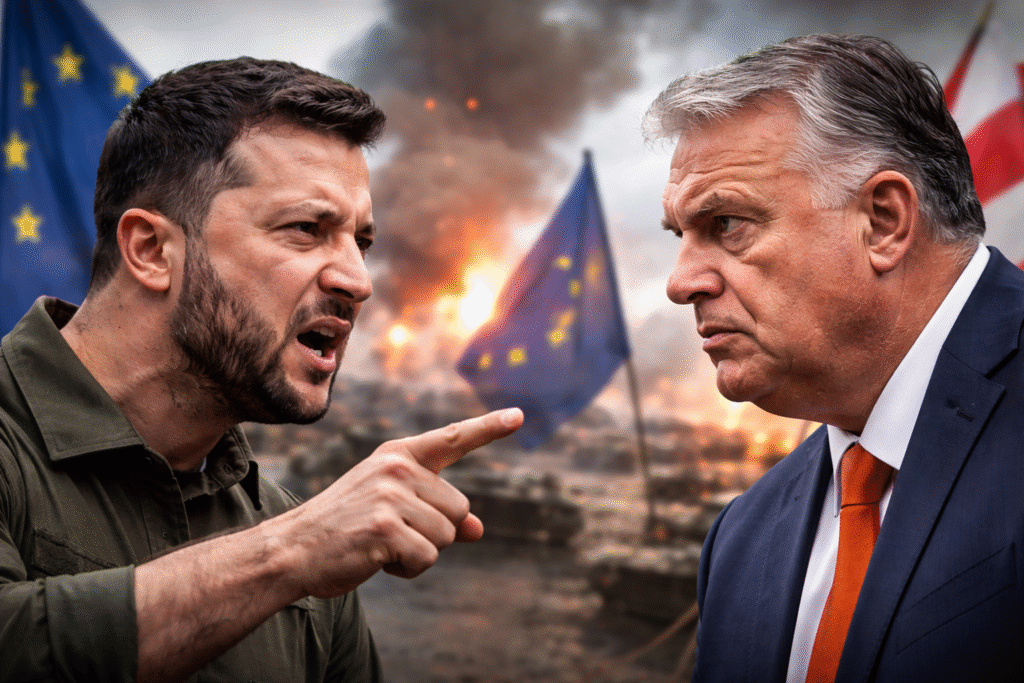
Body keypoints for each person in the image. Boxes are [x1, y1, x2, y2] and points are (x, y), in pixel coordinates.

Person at [0, 57, 523, 683]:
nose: (357, 281)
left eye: (361, 242)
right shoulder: (302, 548)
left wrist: (295, 547)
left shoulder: (299, 541)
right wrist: (288, 555)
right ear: (150, 249)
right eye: (307, 229)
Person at [646, 34, 1023, 683]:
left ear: (882, 220)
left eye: (727, 224)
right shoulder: (739, 539)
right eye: (682, 236)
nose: (681, 282)